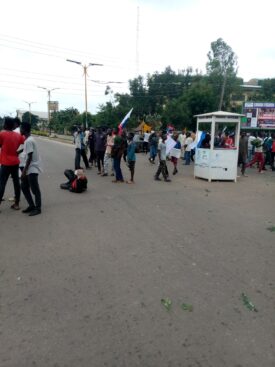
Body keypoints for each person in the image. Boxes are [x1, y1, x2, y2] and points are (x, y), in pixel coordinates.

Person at [0, 117, 25, 211]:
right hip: (15, 162)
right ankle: (17, 204)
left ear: (6, 125)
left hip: (5, 163)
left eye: (4, 123)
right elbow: (25, 145)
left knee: (2, 184)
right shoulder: (18, 136)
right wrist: (18, 152)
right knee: (16, 183)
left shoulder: (2, 134)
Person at [20, 122, 42, 216]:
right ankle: (31, 205)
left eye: (21, 128)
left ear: (24, 129)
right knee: (24, 187)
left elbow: (29, 157)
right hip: (29, 168)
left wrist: (24, 171)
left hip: (32, 169)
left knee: (35, 189)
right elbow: (27, 151)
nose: (20, 130)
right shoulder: (28, 140)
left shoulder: (28, 141)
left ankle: (38, 208)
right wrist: (18, 151)